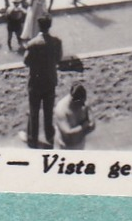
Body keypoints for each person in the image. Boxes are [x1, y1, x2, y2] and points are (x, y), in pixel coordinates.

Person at [23, 16, 63, 148]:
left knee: (34, 112)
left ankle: (32, 138)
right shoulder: (57, 42)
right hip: (50, 80)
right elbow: (58, 59)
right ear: (49, 26)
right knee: (48, 110)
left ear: (39, 26)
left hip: (35, 82)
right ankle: (49, 135)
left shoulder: (32, 44)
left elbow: (26, 62)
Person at [55, 83, 94, 149]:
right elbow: (68, 133)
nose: (82, 105)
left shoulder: (83, 102)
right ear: (74, 100)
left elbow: (92, 122)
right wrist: (84, 126)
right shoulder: (61, 109)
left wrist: (90, 124)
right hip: (65, 147)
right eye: (80, 103)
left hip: (80, 144)